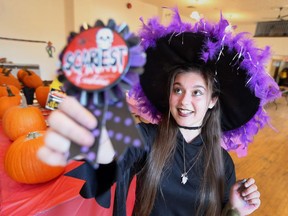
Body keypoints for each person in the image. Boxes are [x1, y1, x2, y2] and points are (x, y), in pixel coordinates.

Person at [38, 8, 280, 216]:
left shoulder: (222, 162)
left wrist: (235, 208)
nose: (184, 100)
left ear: (212, 100)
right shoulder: (146, 138)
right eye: (178, 89)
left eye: (197, 92)